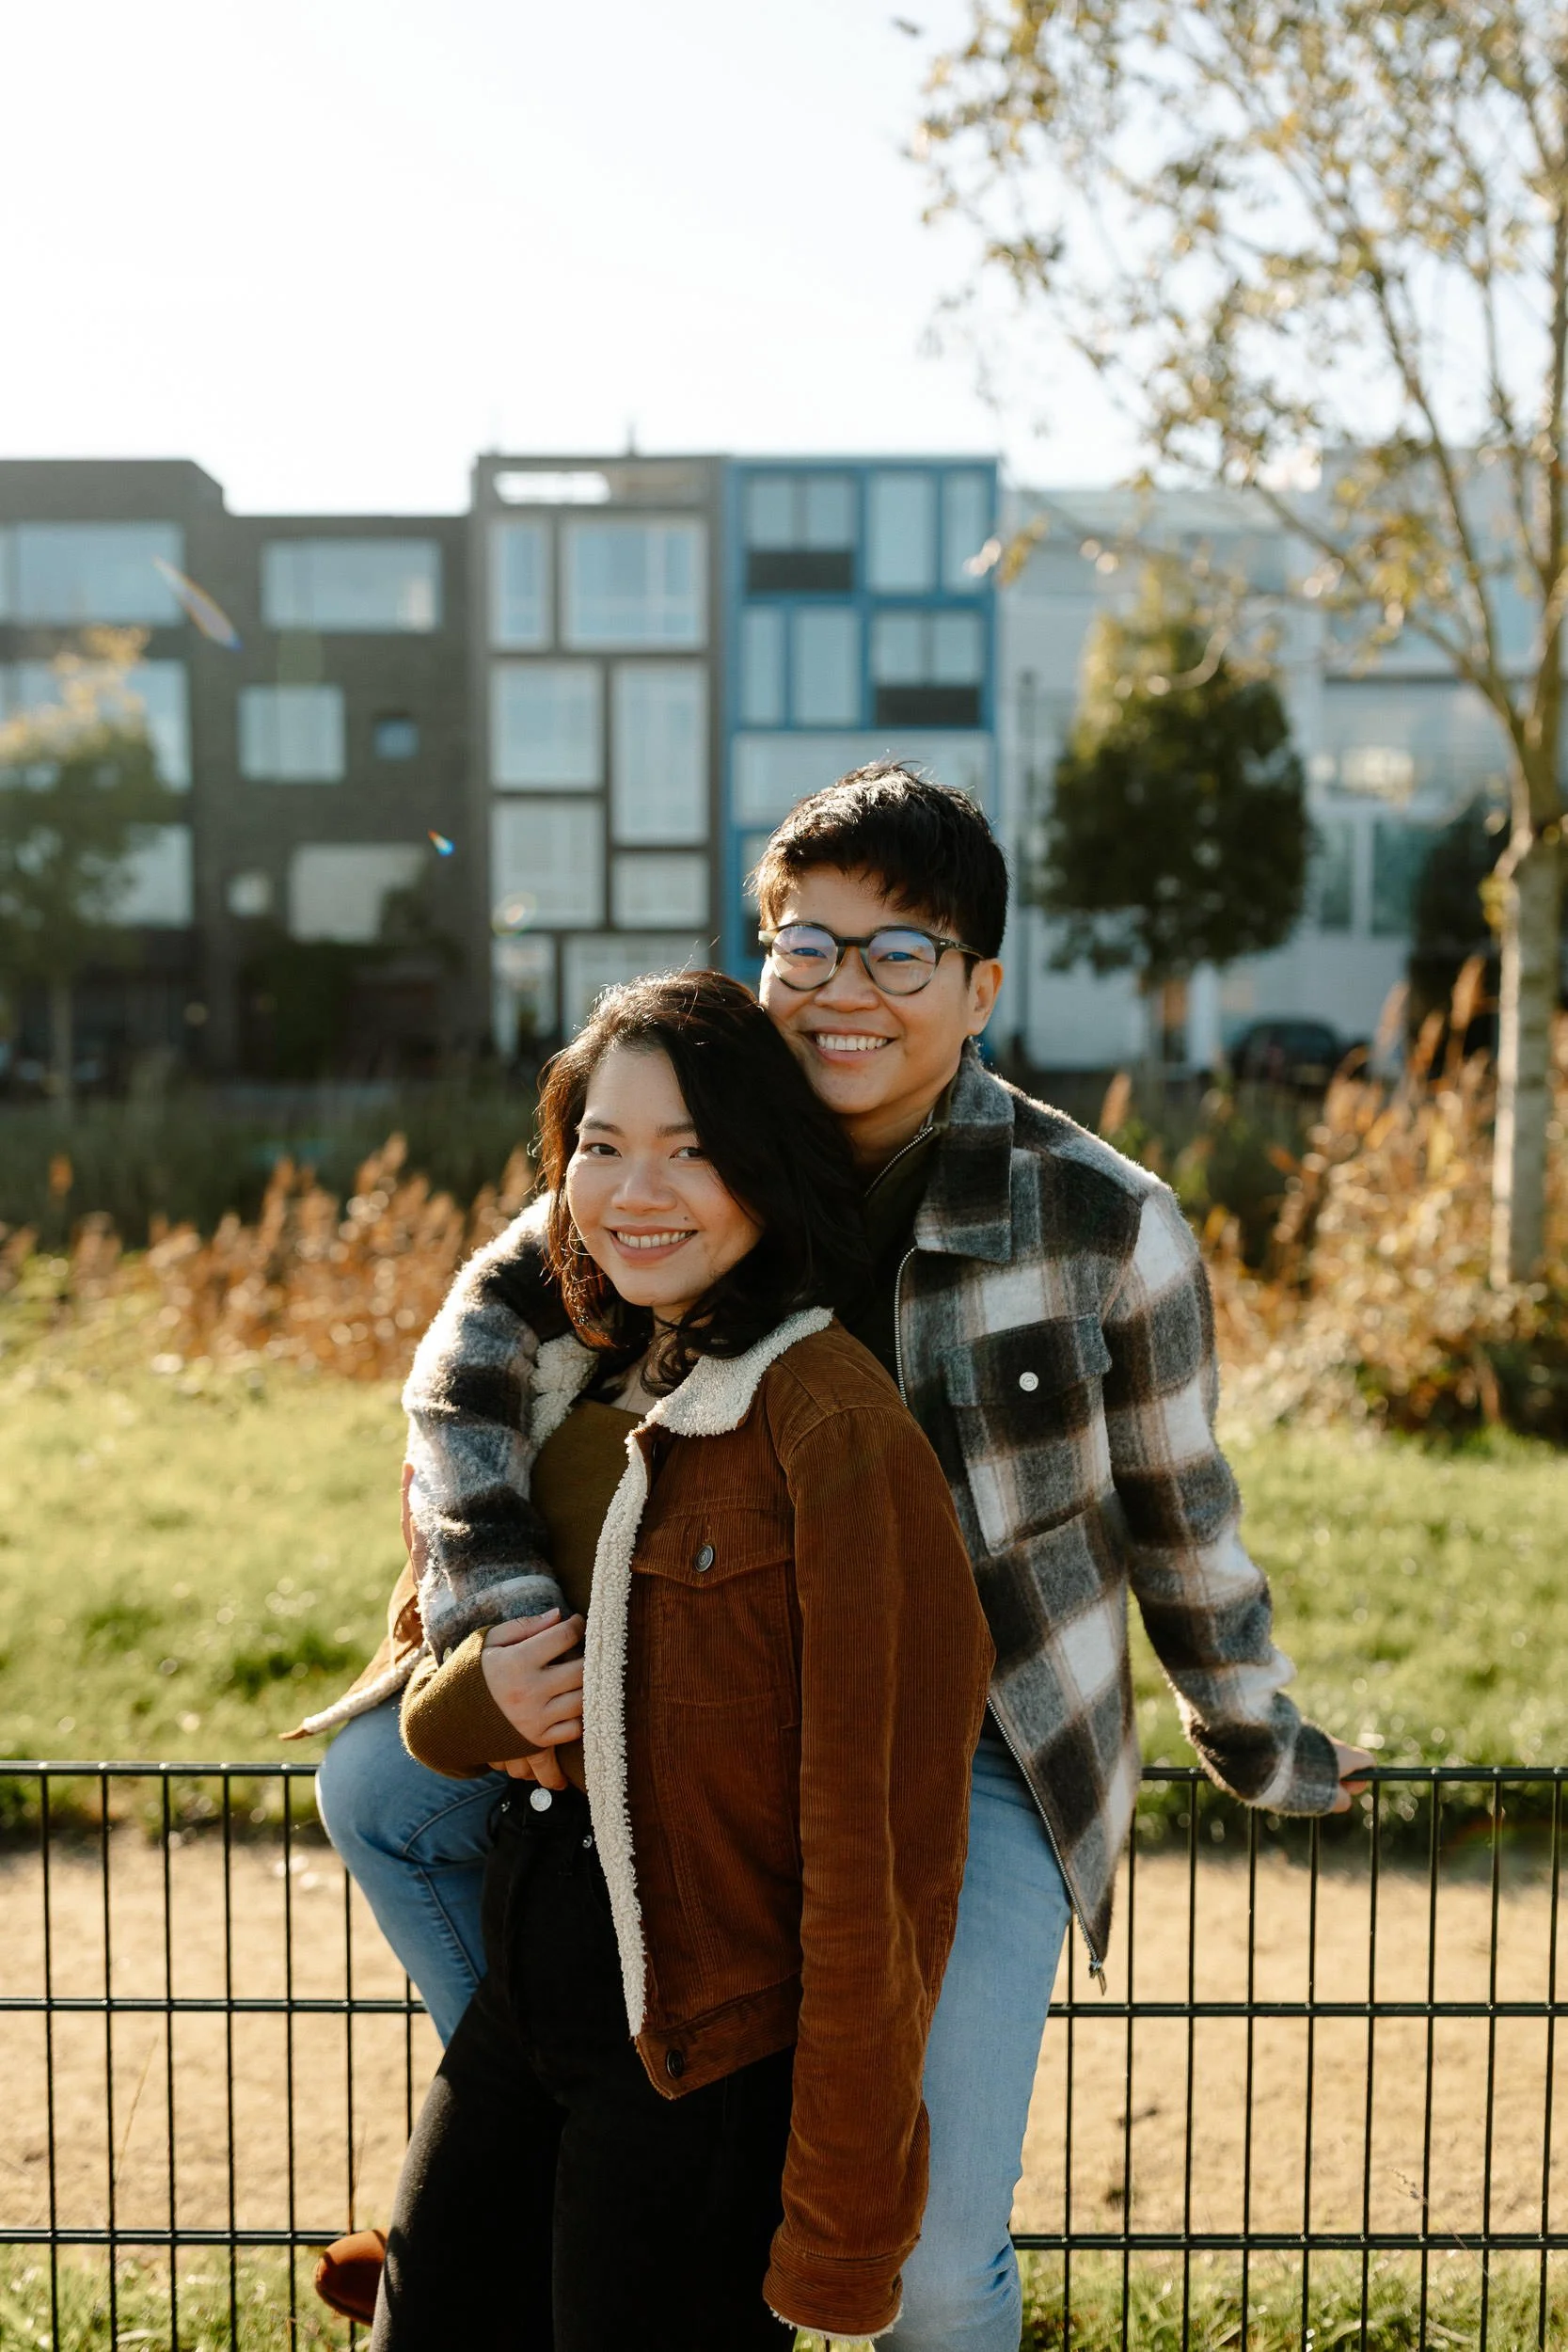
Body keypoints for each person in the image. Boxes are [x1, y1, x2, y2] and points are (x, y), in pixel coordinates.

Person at [309, 764, 1372, 2350]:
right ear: (762, 959)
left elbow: (1180, 1513)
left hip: (971, 1733)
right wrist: (500, 1616)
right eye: (806, 945)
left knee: (926, 2266)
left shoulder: (1099, 1219)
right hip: (703, 1689)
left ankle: (665, 2154)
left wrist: (1258, 1735)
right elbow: (463, 1367)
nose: (844, 988)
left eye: (901, 952)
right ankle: (600, 2143)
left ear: (980, 988)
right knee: (378, 1793)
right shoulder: (696, 1136)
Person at [360, 969, 991, 2350]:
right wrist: (476, 1701)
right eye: (600, 1145)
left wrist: (838, 2226)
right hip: (533, 1982)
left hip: (699, 2045)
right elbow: (445, 1714)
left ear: (765, 1165)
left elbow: (879, 1848)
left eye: (688, 1150)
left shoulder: (829, 1425)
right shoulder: (577, 1377)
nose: (633, 1191)